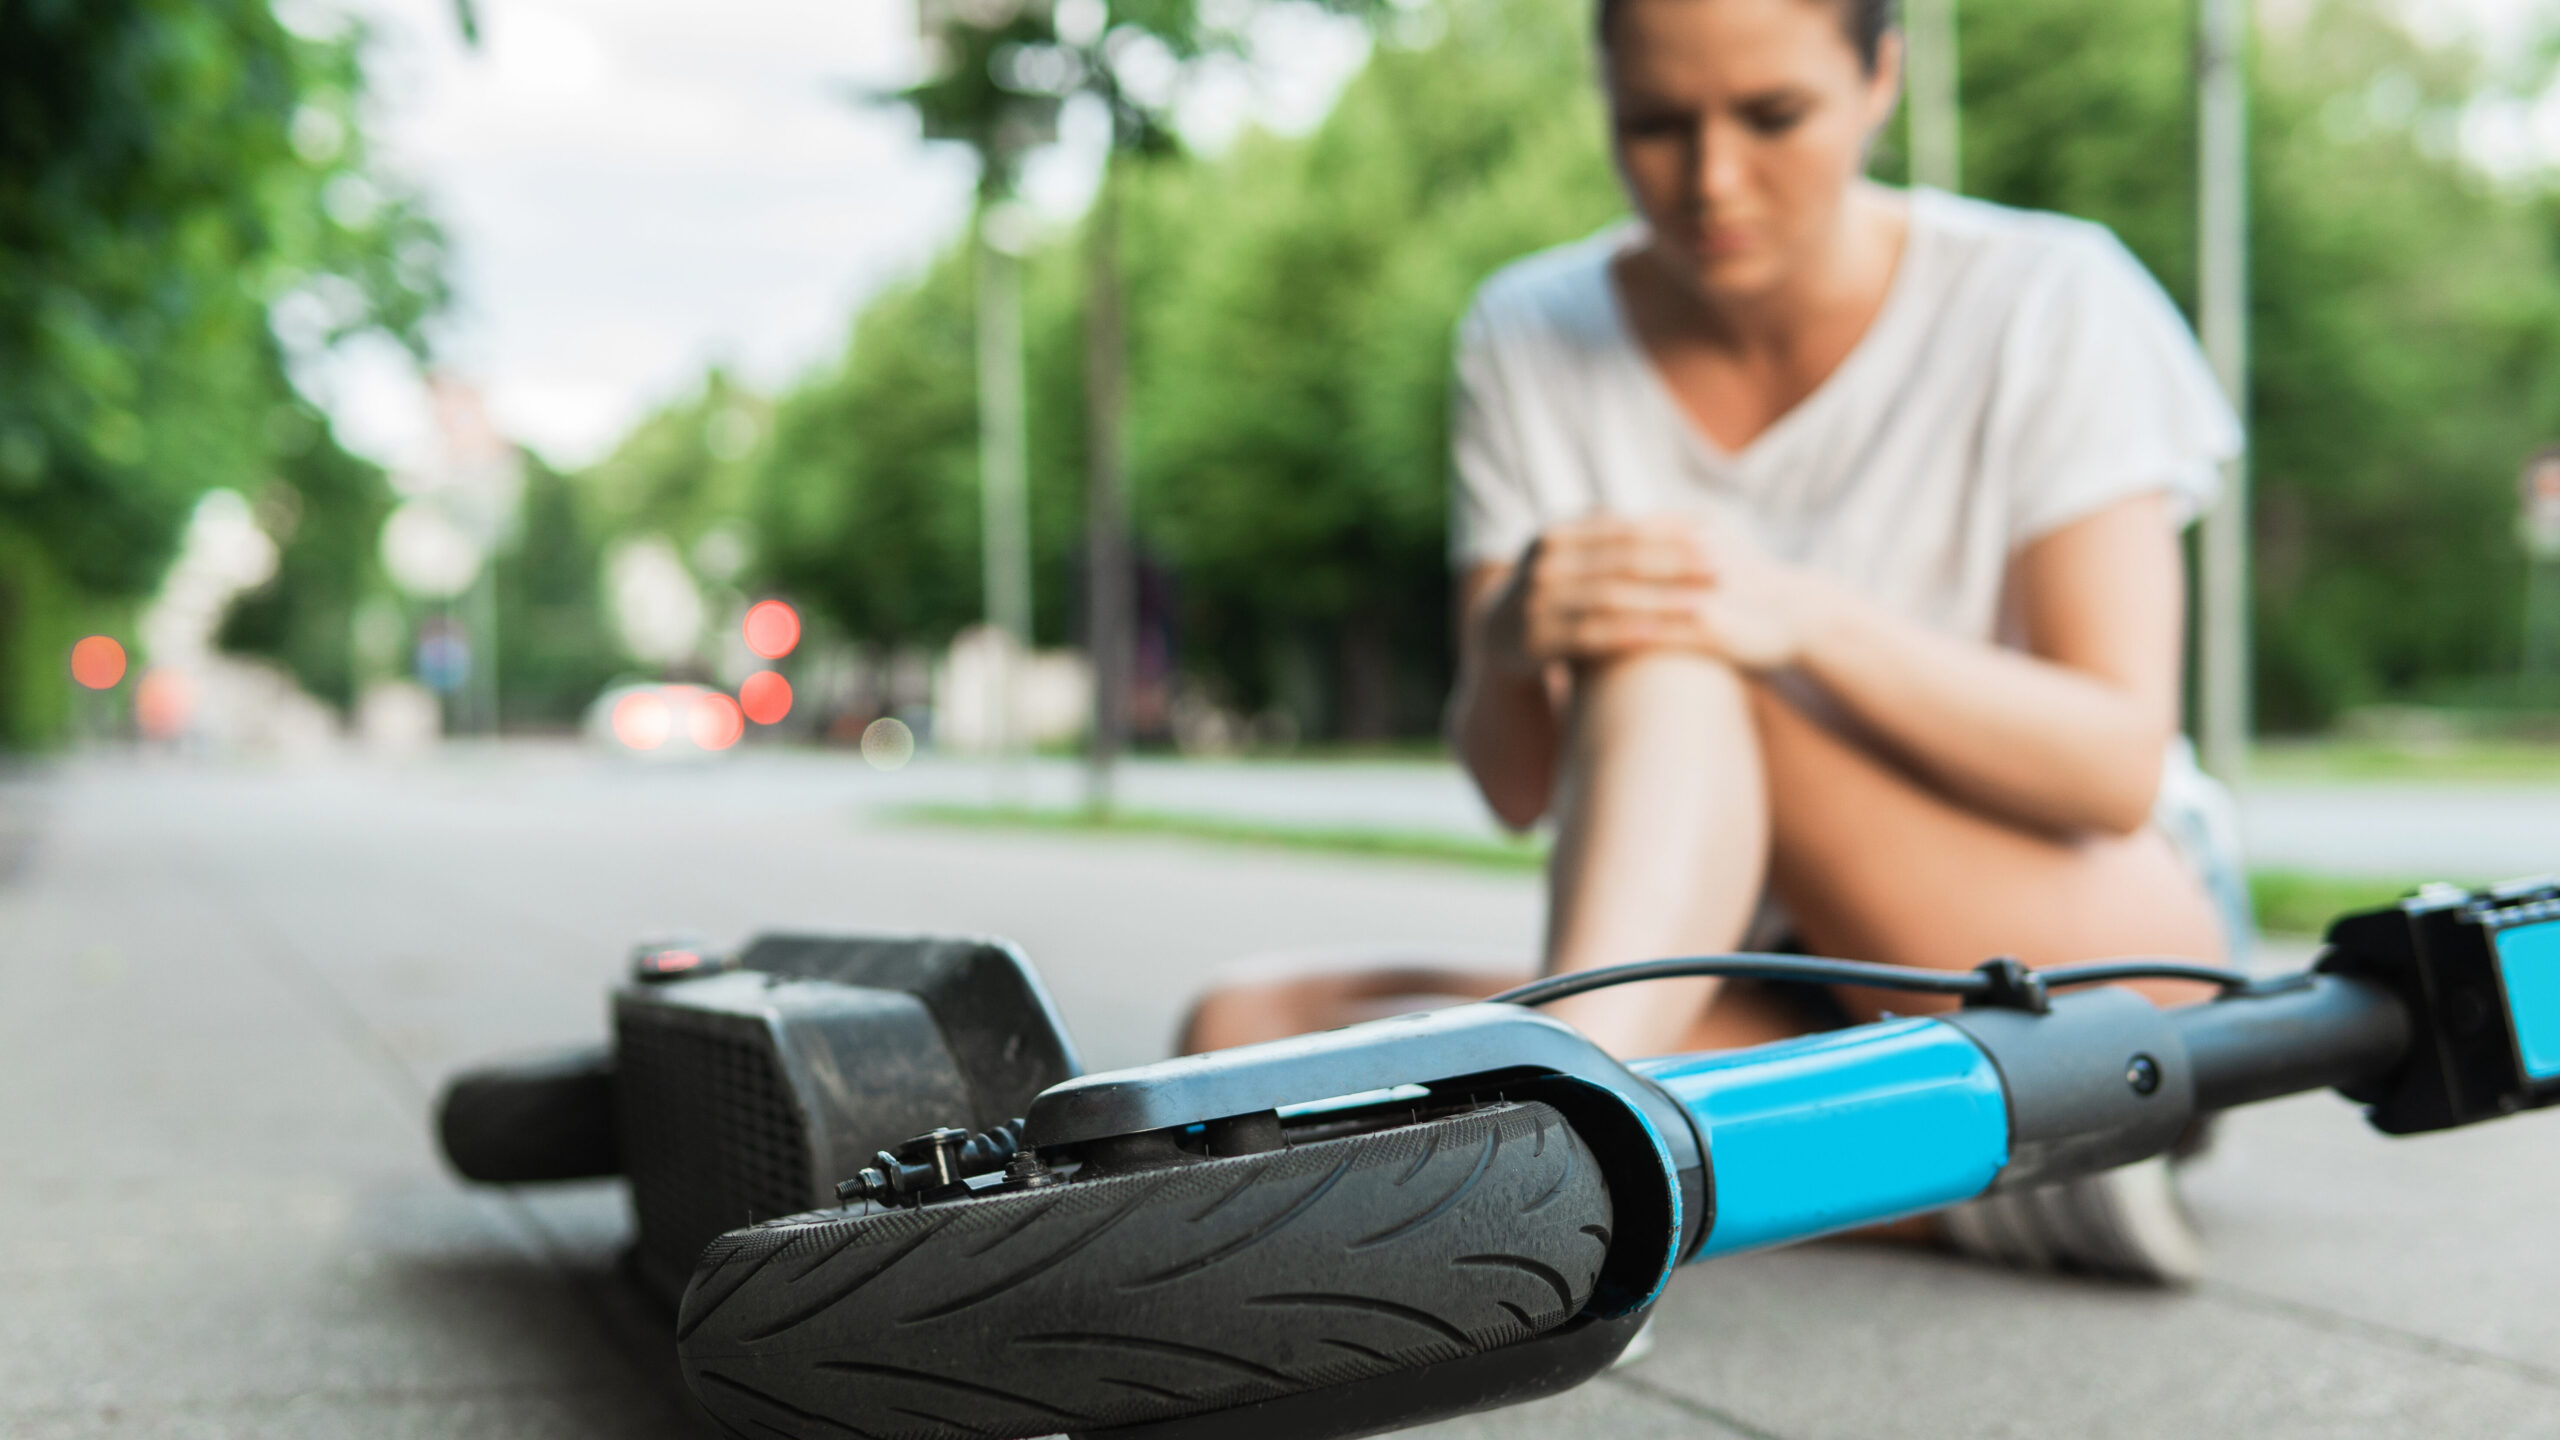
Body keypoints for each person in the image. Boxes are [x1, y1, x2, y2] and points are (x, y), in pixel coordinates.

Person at [1181, 0, 2248, 1282]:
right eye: (1655, 125)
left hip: (2081, 947)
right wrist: (1513, 638)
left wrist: (1794, 617)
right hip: (1757, 949)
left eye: (1772, 116)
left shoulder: (2048, 293)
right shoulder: (1527, 332)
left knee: (1673, 637)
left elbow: (2113, 760)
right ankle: (1898, 1172)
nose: (1711, 179)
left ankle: (1549, 1149)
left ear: (1880, 78)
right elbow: (1516, 789)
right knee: (1238, 1030)